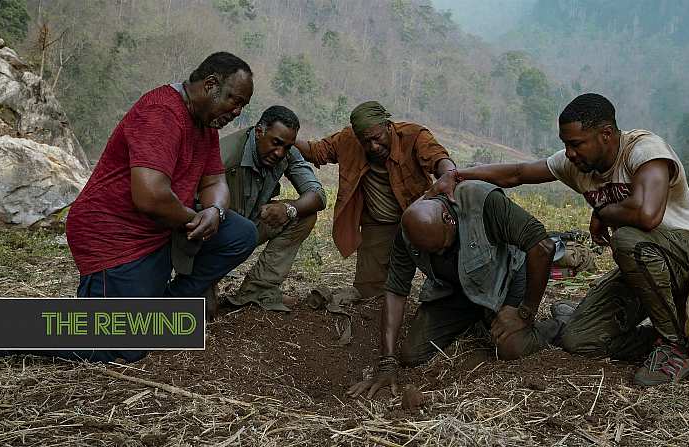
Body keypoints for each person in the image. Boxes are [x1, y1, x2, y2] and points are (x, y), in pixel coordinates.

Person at [427, 93, 689, 386]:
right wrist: (457, 175)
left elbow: (648, 215)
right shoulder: (578, 164)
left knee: (629, 241)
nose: (569, 152)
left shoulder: (645, 151)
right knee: (578, 339)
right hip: (645, 269)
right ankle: (670, 339)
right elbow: (517, 173)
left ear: (606, 134)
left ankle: (675, 347)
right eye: (565, 144)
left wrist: (605, 213)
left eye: (576, 144)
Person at [52, 52, 257, 363]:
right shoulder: (161, 113)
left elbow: (215, 183)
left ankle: (165, 308)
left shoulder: (206, 125)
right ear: (211, 84)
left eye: (243, 105)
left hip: (160, 230)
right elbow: (150, 197)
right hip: (113, 234)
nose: (238, 111)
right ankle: (10, 328)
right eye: (234, 100)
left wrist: (213, 212)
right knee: (122, 347)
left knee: (240, 234)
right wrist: (194, 219)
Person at [348, 180, 558, 398]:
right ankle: (479, 316)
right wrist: (387, 364)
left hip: (505, 282)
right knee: (412, 355)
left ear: (448, 219)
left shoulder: (483, 201)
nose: (439, 256)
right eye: (430, 252)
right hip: (456, 291)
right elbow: (396, 290)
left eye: (441, 247)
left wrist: (524, 312)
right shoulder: (409, 232)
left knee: (510, 347)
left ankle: (558, 324)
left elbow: (543, 247)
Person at [295, 101, 457, 299]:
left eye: (378, 138)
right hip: (378, 224)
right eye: (366, 142)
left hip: (418, 219)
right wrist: (287, 138)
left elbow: (438, 158)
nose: (373, 146)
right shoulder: (348, 139)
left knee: (446, 276)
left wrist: (449, 175)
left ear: (388, 126)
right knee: (368, 291)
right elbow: (316, 151)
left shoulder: (414, 136)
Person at [217, 105, 326, 312]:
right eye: (276, 143)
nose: (279, 152)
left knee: (304, 214)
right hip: (217, 233)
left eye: (287, 146)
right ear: (259, 132)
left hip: (250, 226)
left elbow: (318, 195)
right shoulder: (226, 157)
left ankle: (258, 290)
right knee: (202, 307)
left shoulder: (286, 152)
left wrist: (289, 209)